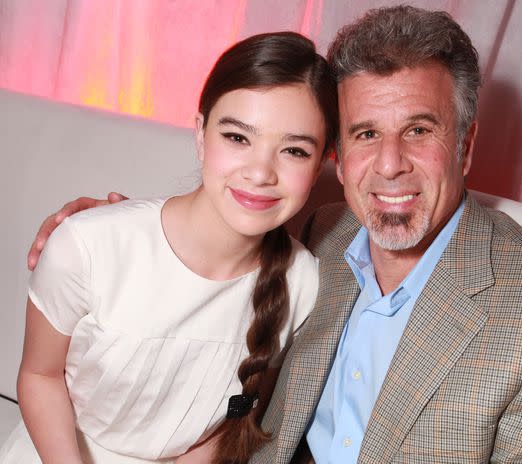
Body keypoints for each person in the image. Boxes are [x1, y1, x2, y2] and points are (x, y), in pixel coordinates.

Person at [26, 6, 522, 464]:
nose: (389, 165)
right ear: (337, 155)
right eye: (365, 134)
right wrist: (111, 231)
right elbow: (210, 244)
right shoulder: (323, 235)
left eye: (418, 130)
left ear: (465, 147)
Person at [2, 31, 338, 464]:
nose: (260, 172)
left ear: (323, 162)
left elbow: (230, 421)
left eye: (294, 150)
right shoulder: (87, 245)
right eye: (237, 137)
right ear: (201, 135)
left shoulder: (303, 283)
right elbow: (39, 375)